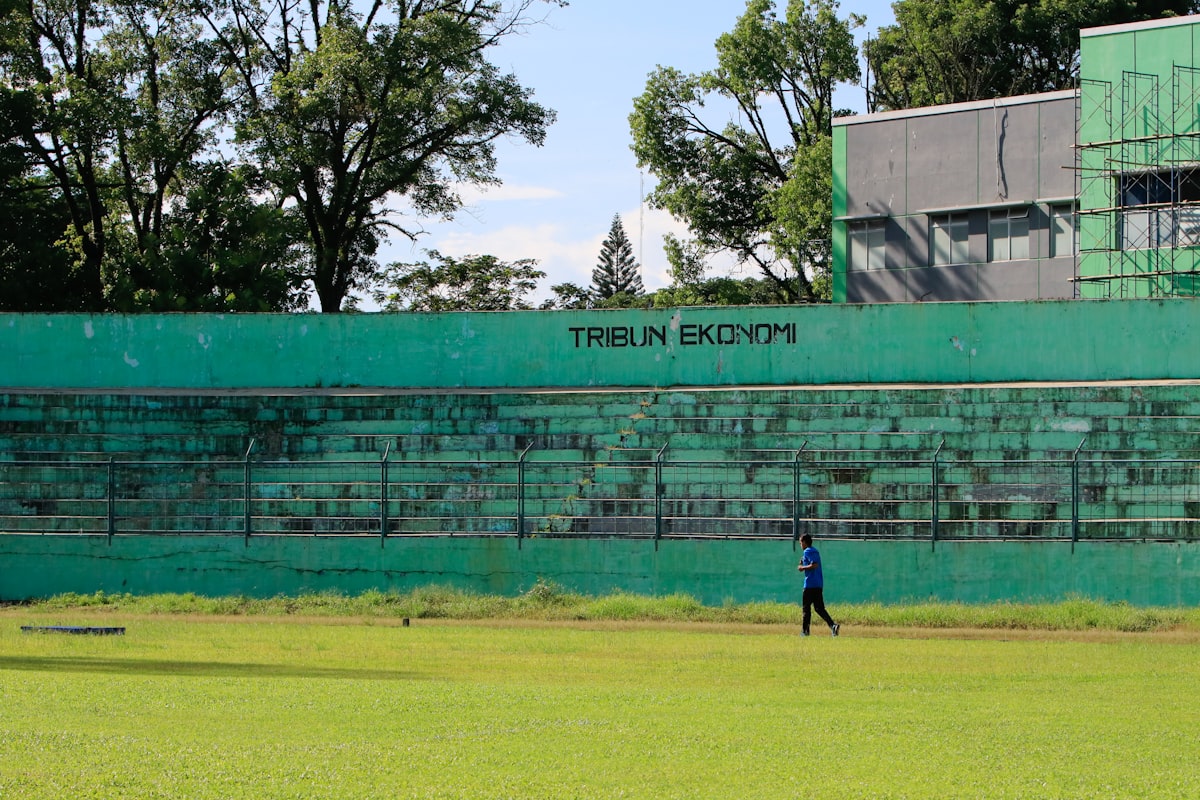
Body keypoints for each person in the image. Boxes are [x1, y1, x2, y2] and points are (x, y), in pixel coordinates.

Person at [797, 534, 840, 637]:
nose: (800, 545)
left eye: (800, 542)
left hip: (810, 584)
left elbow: (815, 564)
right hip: (818, 584)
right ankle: (832, 626)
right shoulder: (814, 551)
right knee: (819, 608)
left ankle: (805, 631)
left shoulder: (808, 551)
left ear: (805, 542)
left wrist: (803, 568)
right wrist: (803, 561)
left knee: (806, 609)